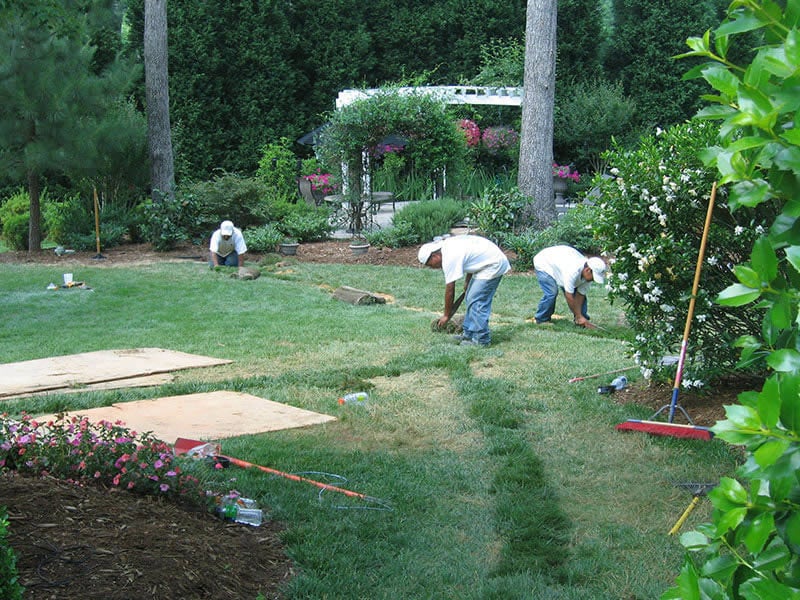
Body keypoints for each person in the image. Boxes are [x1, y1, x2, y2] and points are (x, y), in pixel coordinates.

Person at [418, 234, 511, 347]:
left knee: (477, 301)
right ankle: (468, 333)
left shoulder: (449, 256)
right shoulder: (447, 247)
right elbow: (471, 258)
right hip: (486, 263)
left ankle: (481, 340)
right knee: (470, 297)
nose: (432, 267)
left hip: (493, 264)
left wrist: (446, 315)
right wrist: (468, 281)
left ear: (434, 256)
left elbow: (450, 290)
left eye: (430, 264)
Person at [532, 245, 606, 328]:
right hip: (544, 262)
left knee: (579, 296)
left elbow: (580, 295)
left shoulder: (587, 276)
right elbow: (569, 296)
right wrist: (578, 315)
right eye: (593, 277)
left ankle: (581, 320)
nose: (593, 280)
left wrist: (579, 316)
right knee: (551, 293)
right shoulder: (572, 270)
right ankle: (542, 319)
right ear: (587, 270)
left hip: (560, 263)